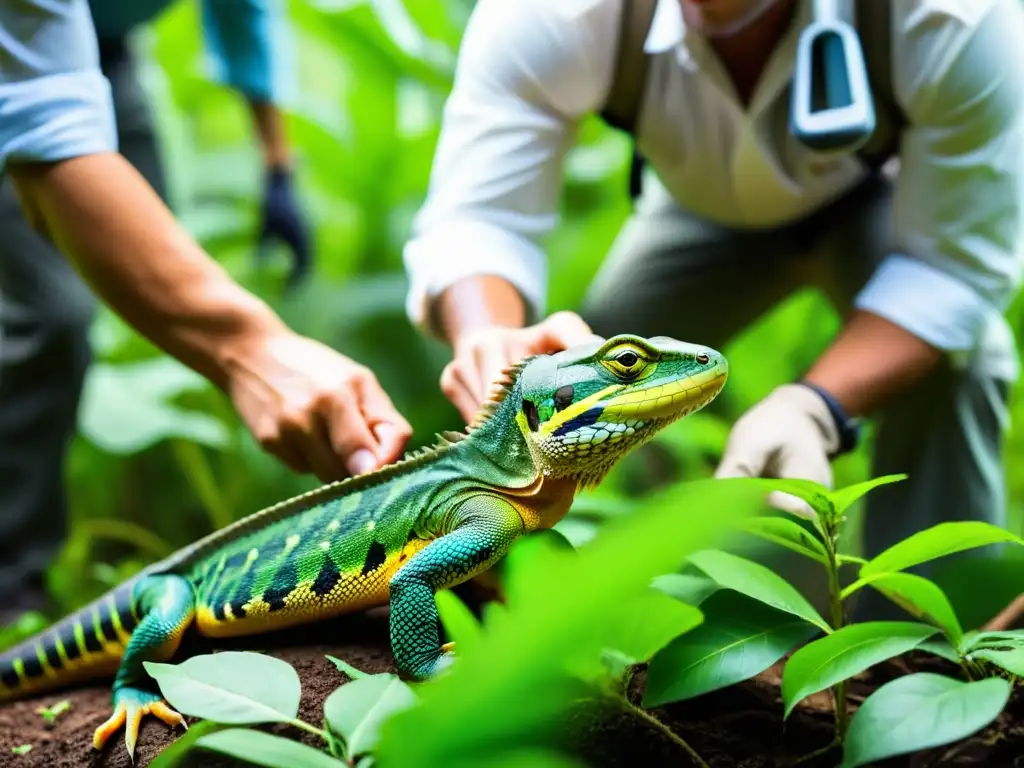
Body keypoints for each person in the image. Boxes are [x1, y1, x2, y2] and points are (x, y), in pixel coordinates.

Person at [402, 0, 1024, 616]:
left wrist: (816, 406)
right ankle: (660, 624)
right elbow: (481, 220)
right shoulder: (554, 14)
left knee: (966, 363)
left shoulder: (951, 18)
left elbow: (951, 269)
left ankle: (935, 655)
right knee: (603, 367)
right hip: (692, 210)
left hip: (879, 199)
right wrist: (487, 332)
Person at [0, 0, 412, 620]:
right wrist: (252, 351)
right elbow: (43, 126)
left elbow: (243, 12)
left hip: (106, 54)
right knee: (52, 316)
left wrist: (278, 165)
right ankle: (12, 582)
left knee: (149, 255)